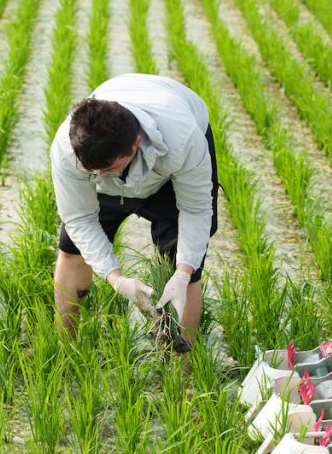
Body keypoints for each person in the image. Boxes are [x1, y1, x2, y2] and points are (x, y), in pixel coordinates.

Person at [50, 73, 219, 341]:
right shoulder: (67, 149)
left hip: (169, 167)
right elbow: (79, 219)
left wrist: (183, 273)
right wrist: (116, 279)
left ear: (136, 144)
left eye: (108, 168)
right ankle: (64, 345)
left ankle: (182, 362)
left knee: (184, 265)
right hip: (106, 156)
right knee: (72, 249)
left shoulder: (183, 138)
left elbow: (196, 210)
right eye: (92, 170)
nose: (99, 175)